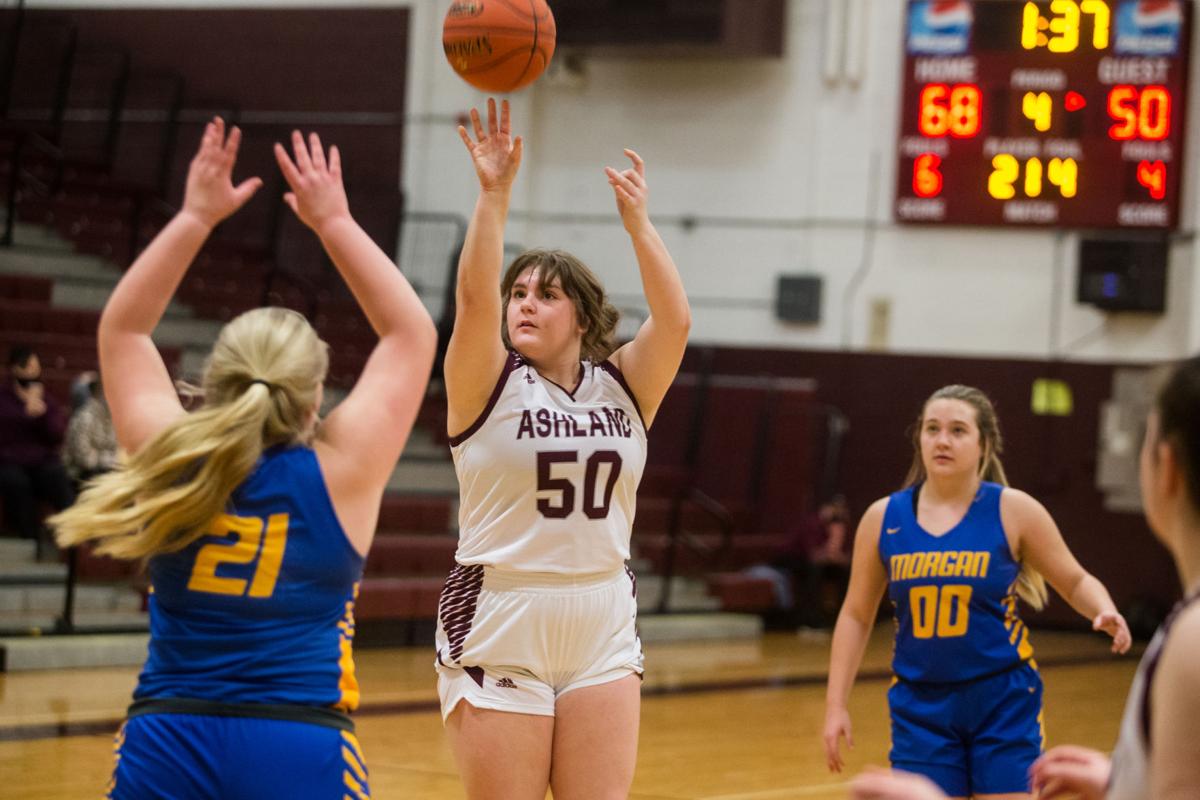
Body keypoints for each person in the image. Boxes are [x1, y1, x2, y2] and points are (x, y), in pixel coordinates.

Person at [47, 118, 436, 799]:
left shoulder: (172, 455)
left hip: (168, 737)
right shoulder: (342, 470)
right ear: (316, 395)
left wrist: (196, 216)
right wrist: (334, 220)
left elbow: (125, 328)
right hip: (297, 740)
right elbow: (410, 333)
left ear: (215, 380)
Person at [436, 98, 690, 800]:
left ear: (582, 315)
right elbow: (473, 302)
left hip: (602, 610)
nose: (524, 304)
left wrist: (638, 223)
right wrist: (493, 197)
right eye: (518, 291)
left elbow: (675, 320)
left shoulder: (623, 387)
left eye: (545, 295)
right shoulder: (485, 380)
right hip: (502, 609)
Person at [848, 359, 1200, 800]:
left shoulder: (1013, 509)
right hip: (923, 701)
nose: (942, 440)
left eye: (958, 430)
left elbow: (1074, 580)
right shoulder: (888, 517)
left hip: (1000, 695)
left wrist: (1103, 608)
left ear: (985, 444)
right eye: (932, 428)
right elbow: (856, 613)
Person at [0, 344, 75, 553]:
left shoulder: (46, 400)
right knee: (16, 482)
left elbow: (57, 435)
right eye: (27, 366)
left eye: (35, 366)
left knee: (57, 475)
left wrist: (40, 414)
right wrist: (25, 413)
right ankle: (30, 541)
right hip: (9, 461)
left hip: (41, 461)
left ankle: (73, 534)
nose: (32, 371)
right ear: (15, 368)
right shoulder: (3, 397)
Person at [62, 373, 120, 483]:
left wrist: (107, 458)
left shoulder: (115, 416)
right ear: (98, 392)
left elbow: (119, 452)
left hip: (105, 469)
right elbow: (85, 461)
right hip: (80, 474)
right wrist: (108, 459)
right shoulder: (85, 417)